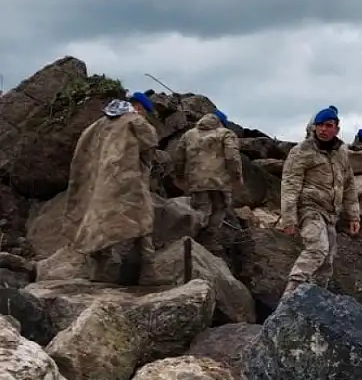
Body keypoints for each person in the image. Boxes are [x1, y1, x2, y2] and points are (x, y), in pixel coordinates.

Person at [63, 91, 161, 285]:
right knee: (143, 219)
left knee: (98, 222)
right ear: (139, 108)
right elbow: (150, 143)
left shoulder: (97, 124)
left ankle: (99, 273)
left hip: (99, 182)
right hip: (127, 180)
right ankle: (148, 272)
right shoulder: (135, 121)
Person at [279, 106, 360, 298]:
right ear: (314, 127)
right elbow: (290, 186)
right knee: (317, 248)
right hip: (309, 209)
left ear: (336, 129)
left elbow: (349, 184)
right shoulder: (301, 151)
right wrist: (289, 219)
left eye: (328, 125)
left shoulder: (341, 152)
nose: (324, 129)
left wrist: (354, 216)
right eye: (320, 125)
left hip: (330, 213)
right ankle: (289, 297)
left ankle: (318, 301)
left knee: (327, 262)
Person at [173, 109, 244, 243]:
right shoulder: (226, 134)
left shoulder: (189, 134)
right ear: (221, 123)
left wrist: (180, 177)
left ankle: (188, 236)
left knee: (201, 209)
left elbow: (178, 158)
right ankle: (208, 240)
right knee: (219, 208)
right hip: (220, 182)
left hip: (196, 181)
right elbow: (232, 157)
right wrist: (236, 178)